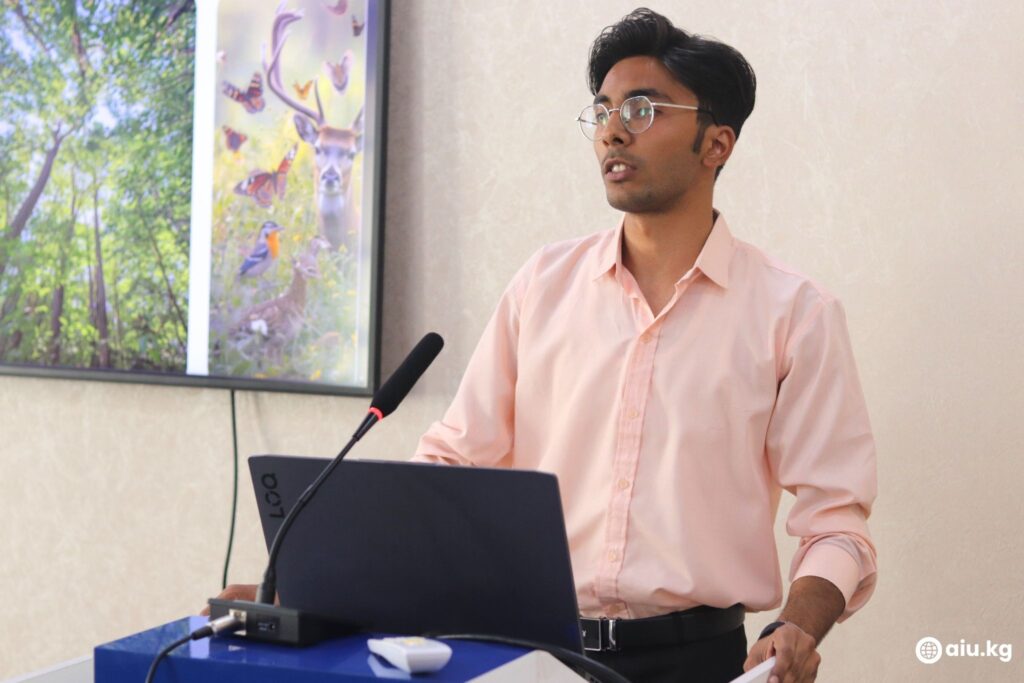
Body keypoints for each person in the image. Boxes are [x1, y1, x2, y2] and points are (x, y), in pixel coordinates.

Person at [213, 8, 878, 682]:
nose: (612, 129)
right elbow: (451, 467)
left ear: (716, 144)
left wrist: (796, 626)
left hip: (698, 661)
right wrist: (315, 588)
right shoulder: (543, 285)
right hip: (531, 655)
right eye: (603, 111)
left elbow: (836, 522)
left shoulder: (794, 314)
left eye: (642, 109)